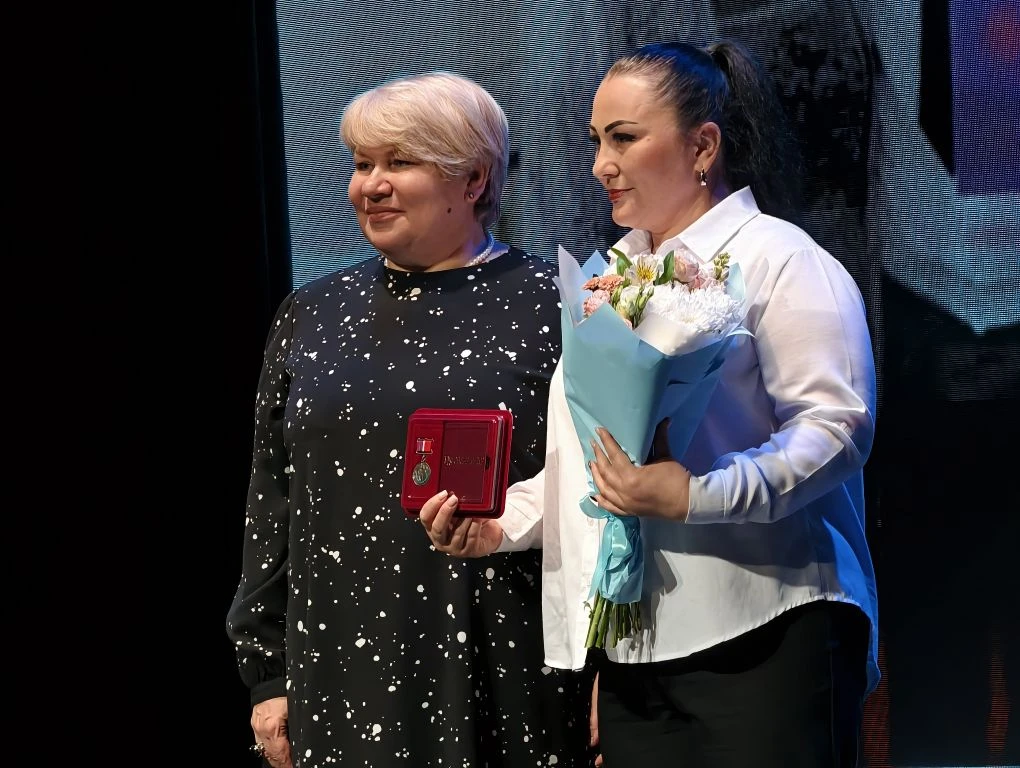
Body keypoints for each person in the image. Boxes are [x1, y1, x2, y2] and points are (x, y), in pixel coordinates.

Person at [420, 40, 879, 767]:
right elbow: (594, 465)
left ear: (703, 147)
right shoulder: (611, 278)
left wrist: (697, 494)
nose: (601, 164)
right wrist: (500, 524)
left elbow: (836, 430)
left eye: (625, 138)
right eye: (596, 141)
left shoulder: (780, 258)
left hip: (770, 629)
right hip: (639, 651)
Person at [226, 71, 593, 768]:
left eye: (400, 162)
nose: (371, 185)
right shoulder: (311, 313)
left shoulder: (556, 306)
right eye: (362, 163)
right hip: (336, 674)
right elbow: (272, 504)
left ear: (474, 180)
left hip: (507, 668)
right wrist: (268, 675)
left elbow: (598, 500)